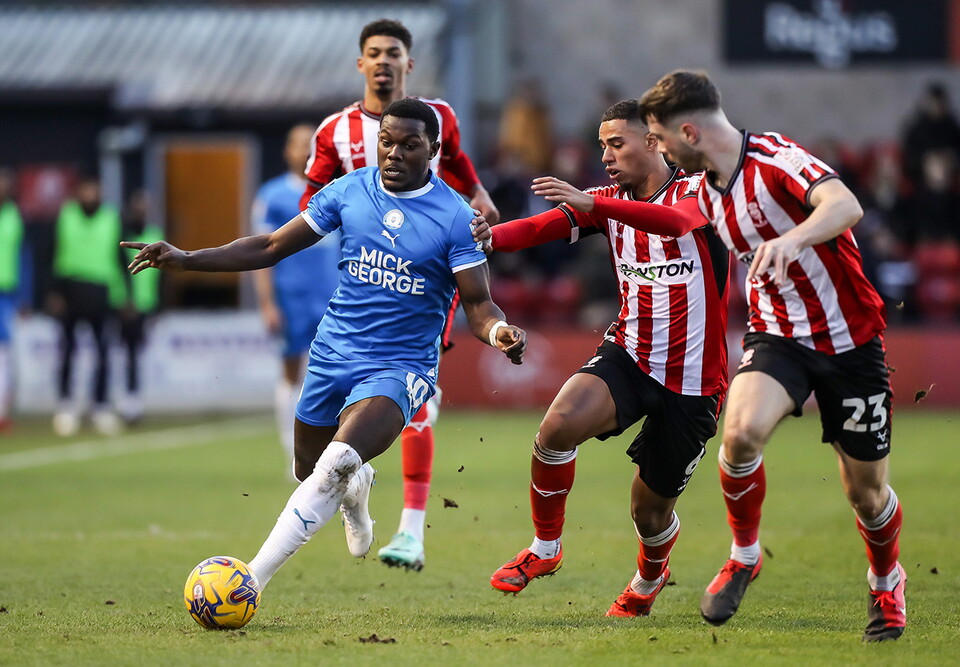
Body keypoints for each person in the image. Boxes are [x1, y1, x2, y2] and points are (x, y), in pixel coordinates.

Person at [123, 98, 526, 596]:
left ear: (434, 149)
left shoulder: (456, 218)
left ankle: (251, 578)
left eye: (409, 144)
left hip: (401, 367)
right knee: (308, 468)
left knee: (334, 462)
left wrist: (498, 333)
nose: (394, 153)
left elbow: (480, 305)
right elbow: (271, 246)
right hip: (333, 353)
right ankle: (356, 491)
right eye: (386, 141)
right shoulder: (349, 191)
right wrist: (187, 259)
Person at [599, 70, 902, 641]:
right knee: (738, 437)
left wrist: (794, 238)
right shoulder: (702, 187)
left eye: (660, 138)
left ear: (688, 131)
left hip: (850, 342)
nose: (656, 150)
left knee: (866, 492)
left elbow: (845, 204)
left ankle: (887, 581)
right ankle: (744, 554)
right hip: (777, 337)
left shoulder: (775, 159)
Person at [484, 100, 729, 617]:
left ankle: (649, 577)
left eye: (617, 143)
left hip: (692, 383)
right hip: (630, 356)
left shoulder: (697, 189)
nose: (607, 155)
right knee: (556, 428)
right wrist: (479, 238)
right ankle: (545, 549)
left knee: (649, 511)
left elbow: (675, 223)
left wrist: (596, 208)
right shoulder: (604, 200)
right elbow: (534, 230)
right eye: (602, 145)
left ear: (654, 141)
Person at [299, 18, 501, 571]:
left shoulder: (440, 120)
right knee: (318, 450)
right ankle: (356, 482)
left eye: (394, 53)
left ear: (409, 64)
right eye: (374, 53)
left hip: (425, 272)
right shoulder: (333, 133)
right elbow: (310, 203)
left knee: (415, 399)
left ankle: (411, 530)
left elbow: (463, 172)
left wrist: (480, 207)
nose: (384, 62)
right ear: (360, 64)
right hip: (364, 280)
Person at [253, 124, 341, 461]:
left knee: (334, 370)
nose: (305, 151)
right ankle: (293, 451)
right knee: (291, 370)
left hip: (333, 297)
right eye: (299, 145)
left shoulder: (336, 191)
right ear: (287, 150)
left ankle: (330, 449)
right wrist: (267, 302)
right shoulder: (272, 196)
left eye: (311, 145)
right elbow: (262, 253)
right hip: (291, 298)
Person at [49, 175, 127, 437]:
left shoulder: (111, 218)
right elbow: (52, 252)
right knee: (68, 350)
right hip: (71, 288)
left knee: (103, 352)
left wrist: (125, 295)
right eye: (86, 189)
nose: (90, 194)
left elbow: (120, 258)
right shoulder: (66, 216)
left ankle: (101, 406)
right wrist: (53, 291)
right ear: (78, 191)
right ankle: (66, 406)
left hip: (101, 290)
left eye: (95, 189)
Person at [118, 189, 163, 424]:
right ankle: (127, 403)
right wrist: (125, 299)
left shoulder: (156, 234)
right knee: (127, 353)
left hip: (147, 304)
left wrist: (158, 306)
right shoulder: (123, 236)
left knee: (137, 354)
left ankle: (134, 403)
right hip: (125, 304)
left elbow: (164, 274)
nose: (141, 211)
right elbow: (116, 268)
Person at [0, 168, 24, 431]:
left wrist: (24, 295)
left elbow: (21, 256)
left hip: (4, 292)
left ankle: (1, 412)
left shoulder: (14, 216)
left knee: (2, 353)